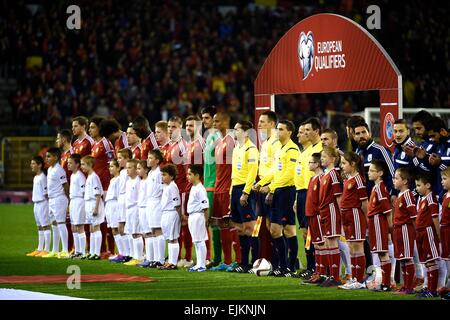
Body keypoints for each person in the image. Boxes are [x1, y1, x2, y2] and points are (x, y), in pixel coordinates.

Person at [265, 120, 300, 277]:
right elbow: (275, 171)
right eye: (277, 129)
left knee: (284, 229)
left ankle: (288, 266)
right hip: (279, 190)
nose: (277, 132)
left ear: (289, 132)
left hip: (286, 191)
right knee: (281, 230)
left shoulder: (292, 150)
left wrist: (271, 188)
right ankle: (285, 266)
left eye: (280, 129)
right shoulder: (279, 148)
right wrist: (261, 183)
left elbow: (288, 175)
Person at [209, 112, 241, 272]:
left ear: (226, 121)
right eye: (213, 121)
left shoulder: (232, 141)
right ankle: (227, 261)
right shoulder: (219, 141)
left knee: (233, 226)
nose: (214, 124)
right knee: (222, 226)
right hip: (218, 188)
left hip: (228, 188)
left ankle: (239, 261)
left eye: (217, 121)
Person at [295, 118, 323, 277]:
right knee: (306, 232)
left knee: (315, 232)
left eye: (307, 130)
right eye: (303, 130)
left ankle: (317, 267)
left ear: (316, 131)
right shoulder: (306, 151)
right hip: (301, 194)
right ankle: (310, 266)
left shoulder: (321, 150)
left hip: (312, 194)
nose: (304, 133)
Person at [230, 120, 259, 273]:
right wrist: (231, 193)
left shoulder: (251, 149)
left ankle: (255, 263)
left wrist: (246, 192)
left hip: (244, 190)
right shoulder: (236, 148)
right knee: (240, 228)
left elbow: (252, 172)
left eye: (237, 129)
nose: (235, 132)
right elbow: (234, 173)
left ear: (246, 132)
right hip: (235, 189)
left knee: (250, 228)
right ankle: (243, 262)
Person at [252, 111, 280, 267]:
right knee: (268, 226)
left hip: (271, 188)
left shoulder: (276, 143)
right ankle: (272, 262)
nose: (259, 124)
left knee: (276, 227)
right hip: (262, 187)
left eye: (263, 121)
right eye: (259, 121)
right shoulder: (266, 142)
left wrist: (268, 186)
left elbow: (276, 168)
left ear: (272, 123)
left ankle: (281, 263)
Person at [337, 152, 368, 289]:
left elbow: (364, 202)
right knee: (351, 247)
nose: (341, 166)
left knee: (357, 247)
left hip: (355, 214)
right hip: (347, 215)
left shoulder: (359, 179)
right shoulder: (348, 178)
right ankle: (354, 278)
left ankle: (359, 280)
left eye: (344, 163)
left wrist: (366, 219)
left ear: (353, 164)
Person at [166, 116, 192, 268]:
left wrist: (187, 190)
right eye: (169, 126)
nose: (170, 129)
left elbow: (186, 170)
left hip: (182, 189)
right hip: (173, 190)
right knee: (176, 224)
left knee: (184, 223)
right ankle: (178, 256)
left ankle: (187, 257)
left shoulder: (183, 145)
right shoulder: (171, 145)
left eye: (173, 127)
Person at [185, 115, 211, 265]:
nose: (188, 128)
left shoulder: (202, 143)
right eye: (187, 125)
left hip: (200, 186)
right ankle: (194, 258)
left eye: (191, 125)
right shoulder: (190, 144)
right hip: (192, 186)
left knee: (204, 227)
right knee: (193, 228)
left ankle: (205, 259)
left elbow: (205, 167)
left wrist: (202, 185)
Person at [90, 116, 116, 258]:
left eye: (93, 127)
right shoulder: (95, 144)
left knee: (108, 219)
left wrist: (112, 184)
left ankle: (111, 251)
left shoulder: (106, 144)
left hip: (106, 186)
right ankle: (102, 249)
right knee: (100, 219)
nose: (90, 130)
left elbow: (112, 162)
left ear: (100, 128)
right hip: (97, 186)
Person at [317, 146, 343, 286]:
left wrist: (341, 214)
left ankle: (335, 276)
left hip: (332, 210)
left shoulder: (333, 174)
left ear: (333, 159)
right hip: (324, 211)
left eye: (325, 156)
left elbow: (338, 197)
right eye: (321, 156)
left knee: (332, 242)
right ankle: (330, 275)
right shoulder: (325, 174)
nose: (322, 159)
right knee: (327, 243)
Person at [367, 159, 394, 292]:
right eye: (369, 170)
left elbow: (388, 211)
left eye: (372, 171)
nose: (369, 173)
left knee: (383, 253)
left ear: (380, 173)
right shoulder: (375, 187)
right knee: (379, 252)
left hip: (379, 221)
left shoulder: (381, 188)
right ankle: (383, 281)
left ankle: (387, 283)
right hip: (374, 221)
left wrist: (390, 229)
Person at [414, 173, 441, 298]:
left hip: (428, 231)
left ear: (428, 185)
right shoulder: (423, 199)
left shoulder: (431, 198)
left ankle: (433, 290)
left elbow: (435, 217)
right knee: (427, 262)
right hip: (421, 232)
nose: (417, 188)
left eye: (419, 185)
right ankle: (429, 288)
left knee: (431, 261)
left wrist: (438, 234)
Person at [201, 106, 222, 267]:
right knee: (209, 223)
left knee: (214, 223)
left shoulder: (218, 138)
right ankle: (210, 258)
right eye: (204, 118)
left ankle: (216, 259)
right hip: (207, 183)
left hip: (214, 185)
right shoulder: (209, 136)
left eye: (207, 118)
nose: (205, 121)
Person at [302, 153, 326, 284]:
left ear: (317, 164)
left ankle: (323, 272)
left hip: (317, 215)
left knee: (321, 244)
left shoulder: (321, 178)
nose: (308, 165)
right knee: (316, 245)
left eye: (310, 162)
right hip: (310, 214)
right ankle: (318, 272)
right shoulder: (312, 179)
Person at [41, 148, 70, 259]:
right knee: (54, 224)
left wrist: (69, 200)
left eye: (49, 156)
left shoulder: (59, 170)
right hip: (52, 199)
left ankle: (65, 250)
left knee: (61, 223)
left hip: (59, 198)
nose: (46, 159)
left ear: (56, 157)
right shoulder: (49, 170)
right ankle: (55, 250)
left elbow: (65, 185)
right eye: (46, 156)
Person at [392, 168, 417, 294]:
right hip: (398, 230)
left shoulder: (408, 195)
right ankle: (404, 285)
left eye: (396, 178)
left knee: (407, 258)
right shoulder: (399, 196)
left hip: (406, 229)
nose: (394, 180)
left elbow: (413, 217)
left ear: (405, 181)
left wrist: (415, 232)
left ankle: (409, 287)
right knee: (402, 258)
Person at [110, 148, 133, 263]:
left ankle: (129, 253)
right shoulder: (122, 173)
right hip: (121, 199)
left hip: (126, 199)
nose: (118, 160)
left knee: (124, 227)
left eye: (120, 158)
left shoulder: (128, 172)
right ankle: (123, 252)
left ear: (127, 159)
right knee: (120, 228)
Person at [157, 164, 182, 270]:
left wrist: (180, 217)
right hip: (165, 213)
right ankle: (170, 261)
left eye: (165, 175)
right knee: (169, 238)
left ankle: (173, 262)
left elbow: (177, 204)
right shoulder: (166, 186)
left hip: (172, 213)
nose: (162, 177)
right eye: (162, 174)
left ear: (171, 176)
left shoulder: (173, 186)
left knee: (173, 238)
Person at [186, 164, 210, 272]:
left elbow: (205, 206)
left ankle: (202, 264)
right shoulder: (194, 187)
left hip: (198, 216)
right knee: (196, 241)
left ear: (197, 176)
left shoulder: (200, 188)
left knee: (200, 240)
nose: (188, 176)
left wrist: (206, 220)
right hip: (192, 216)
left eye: (190, 174)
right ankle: (198, 263)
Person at [80, 155, 105, 260]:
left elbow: (98, 194)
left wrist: (96, 208)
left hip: (94, 203)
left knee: (96, 227)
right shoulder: (89, 177)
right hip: (88, 204)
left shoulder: (94, 177)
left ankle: (97, 253)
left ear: (90, 165)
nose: (82, 167)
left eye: (83, 164)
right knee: (91, 229)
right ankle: (92, 251)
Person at [26, 156, 51, 257]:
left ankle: (47, 249)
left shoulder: (43, 177)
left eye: (33, 164)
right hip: (36, 203)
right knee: (39, 227)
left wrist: (48, 205)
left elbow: (46, 193)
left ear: (39, 165)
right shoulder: (36, 177)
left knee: (45, 226)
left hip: (43, 203)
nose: (31, 166)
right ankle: (40, 248)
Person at [56, 129, 75, 253]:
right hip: (64, 191)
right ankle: (67, 248)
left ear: (64, 139)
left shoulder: (72, 153)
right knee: (65, 220)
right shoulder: (63, 155)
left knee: (72, 221)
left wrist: (70, 195)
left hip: (72, 191)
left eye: (58, 138)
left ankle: (71, 248)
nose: (56, 141)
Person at [146, 149, 165, 268]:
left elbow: (162, 189)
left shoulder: (159, 173)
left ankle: (161, 259)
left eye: (151, 158)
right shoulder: (150, 173)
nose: (148, 160)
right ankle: (154, 258)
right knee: (153, 231)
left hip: (157, 202)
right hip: (150, 203)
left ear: (157, 161)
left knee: (158, 231)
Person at [123, 159, 143, 266]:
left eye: (130, 167)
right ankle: (134, 255)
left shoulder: (138, 181)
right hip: (129, 209)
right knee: (132, 233)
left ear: (136, 169)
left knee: (137, 233)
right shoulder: (128, 181)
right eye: (127, 168)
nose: (127, 170)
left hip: (135, 208)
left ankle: (139, 257)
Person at [67, 154, 87, 259]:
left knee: (80, 227)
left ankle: (82, 252)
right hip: (73, 201)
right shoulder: (72, 175)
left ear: (77, 164)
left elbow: (84, 192)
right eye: (68, 163)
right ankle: (77, 251)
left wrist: (84, 206)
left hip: (79, 201)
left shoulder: (80, 176)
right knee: (73, 227)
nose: (68, 165)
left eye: (70, 163)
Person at [136, 160, 153, 267]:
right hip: (141, 208)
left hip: (147, 208)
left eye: (139, 168)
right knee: (145, 233)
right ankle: (148, 256)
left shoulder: (147, 181)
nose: (137, 171)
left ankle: (150, 258)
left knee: (148, 233)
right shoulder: (141, 181)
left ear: (146, 170)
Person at [104, 160, 122, 261]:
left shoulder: (119, 179)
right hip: (110, 205)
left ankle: (122, 252)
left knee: (117, 229)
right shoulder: (112, 180)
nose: (110, 168)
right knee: (113, 230)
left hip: (115, 204)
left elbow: (119, 195)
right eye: (109, 167)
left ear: (118, 168)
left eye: (112, 166)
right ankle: (118, 252)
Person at [439, 167, 450, 299]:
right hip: (444, 228)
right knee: (446, 257)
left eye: (445, 179)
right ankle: (448, 285)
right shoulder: (444, 195)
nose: (442, 181)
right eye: (441, 179)